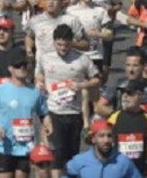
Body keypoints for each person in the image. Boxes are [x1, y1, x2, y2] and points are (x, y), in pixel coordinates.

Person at [35, 24, 101, 177]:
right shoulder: (46, 58)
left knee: (71, 158)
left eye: (66, 44)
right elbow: (39, 75)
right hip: (54, 112)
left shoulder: (82, 59)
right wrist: (39, 83)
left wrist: (81, 85)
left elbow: (97, 79)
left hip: (74, 113)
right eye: (59, 44)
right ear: (54, 42)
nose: (63, 48)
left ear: (71, 42)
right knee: (56, 155)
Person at [0, 46, 52, 178]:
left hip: (26, 146)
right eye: (17, 65)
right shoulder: (0, 91)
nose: (22, 67)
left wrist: (48, 125)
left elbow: (44, 114)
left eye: (24, 64)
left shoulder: (35, 91)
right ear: (10, 69)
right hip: (5, 146)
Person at [106, 78, 147, 176]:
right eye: (123, 92)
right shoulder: (114, 118)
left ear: (140, 95)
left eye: (129, 93)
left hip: (139, 172)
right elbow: (101, 139)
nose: (125, 96)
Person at [64, 119, 142, 178]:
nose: (106, 140)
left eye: (109, 136)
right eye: (101, 136)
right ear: (93, 139)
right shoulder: (79, 161)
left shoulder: (124, 161)